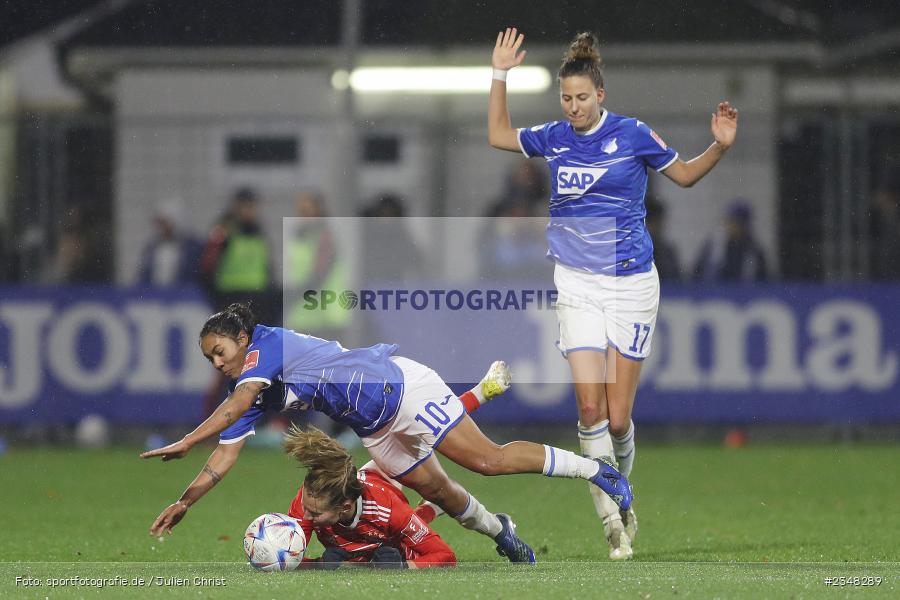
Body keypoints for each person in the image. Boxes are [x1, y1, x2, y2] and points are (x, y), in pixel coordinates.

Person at [488, 28, 738, 560]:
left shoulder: (632, 134)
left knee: (618, 418)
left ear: (601, 95)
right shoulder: (554, 136)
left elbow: (687, 176)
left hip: (631, 285)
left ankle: (623, 498)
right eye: (566, 98)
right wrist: (499, 73)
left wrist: (718, 144)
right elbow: (498, 133)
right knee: (588, 405)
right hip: (577, 284)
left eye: (582, 98)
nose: (574, 107)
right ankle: (610, 519)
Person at [141, 303, 632, 564]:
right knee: (440, 491)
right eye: (210, 358)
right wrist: (187, 500)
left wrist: (186, 440)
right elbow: (225, 458)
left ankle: (598, 470)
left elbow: (235, 406)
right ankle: (501, 531)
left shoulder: (263, 349)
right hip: (374, 425)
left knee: (488, 460)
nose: (217, 362)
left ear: (242, 339)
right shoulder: (256, 387)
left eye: (219, 350)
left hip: (400, 388)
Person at [693, 199, 768, 282]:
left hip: (744, 293)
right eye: (728, 221)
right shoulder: (713, 246)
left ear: (744, 225)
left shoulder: (754, 251)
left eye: (734, 222)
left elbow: (763, 281)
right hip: (714, 293)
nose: (729, 225)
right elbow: (696, 274)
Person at [136, 198, 203, 286]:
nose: (160, 228)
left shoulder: (193, 248)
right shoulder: (152, 248)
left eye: (164, 223)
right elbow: (144, 275)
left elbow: (195, 276)